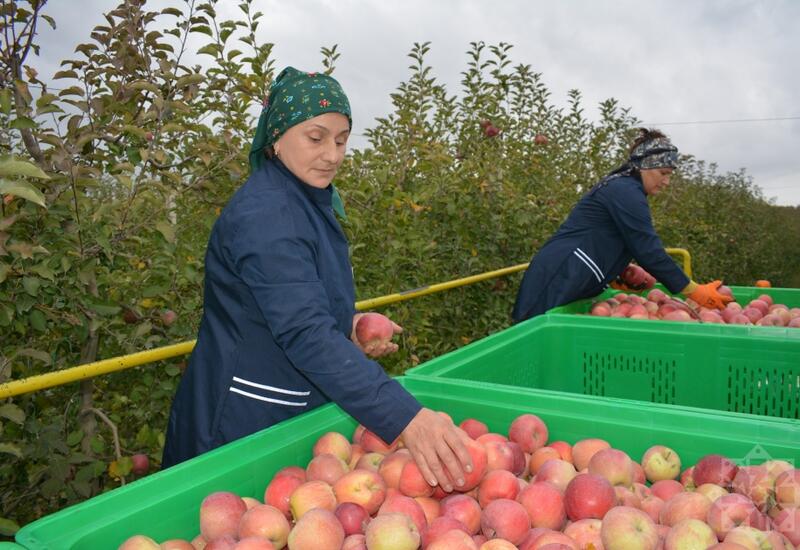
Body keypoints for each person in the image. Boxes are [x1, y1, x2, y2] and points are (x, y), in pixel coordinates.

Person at [162, 67, 472, 492]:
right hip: (239, 425)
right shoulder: (266, 213)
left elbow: (293, 301)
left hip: (287, 412)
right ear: (277, 135)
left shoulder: (303, 199)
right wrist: (407, 417)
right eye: (316, 137)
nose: (332, 154)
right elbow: (303, 332)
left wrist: (346, 328)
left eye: (342, 140)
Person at [512, 128, 733, 322]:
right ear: (645, 166)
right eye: (663, 173)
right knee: (533, 338)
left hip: (571, 274)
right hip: (560, 274)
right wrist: (693, 290)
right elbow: (647, 249)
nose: (666, 182)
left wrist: (619, 271)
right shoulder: (625, 190)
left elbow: (612, 236)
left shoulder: (627, 189)